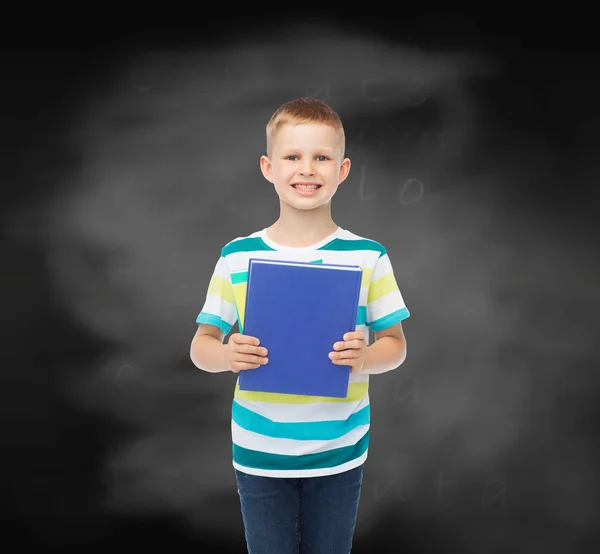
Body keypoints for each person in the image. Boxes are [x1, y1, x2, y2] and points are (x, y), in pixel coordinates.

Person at [190, 97, 410, 553]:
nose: (307, 169)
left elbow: (396, 345)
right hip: (259, 450)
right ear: (268, 167)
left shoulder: (369, 256)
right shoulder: (238, 255)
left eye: (321, 158)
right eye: (293, 156)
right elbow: (201, 345)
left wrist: (366, 357)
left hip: (340, 448)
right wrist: (227, 354)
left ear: (343, 170)